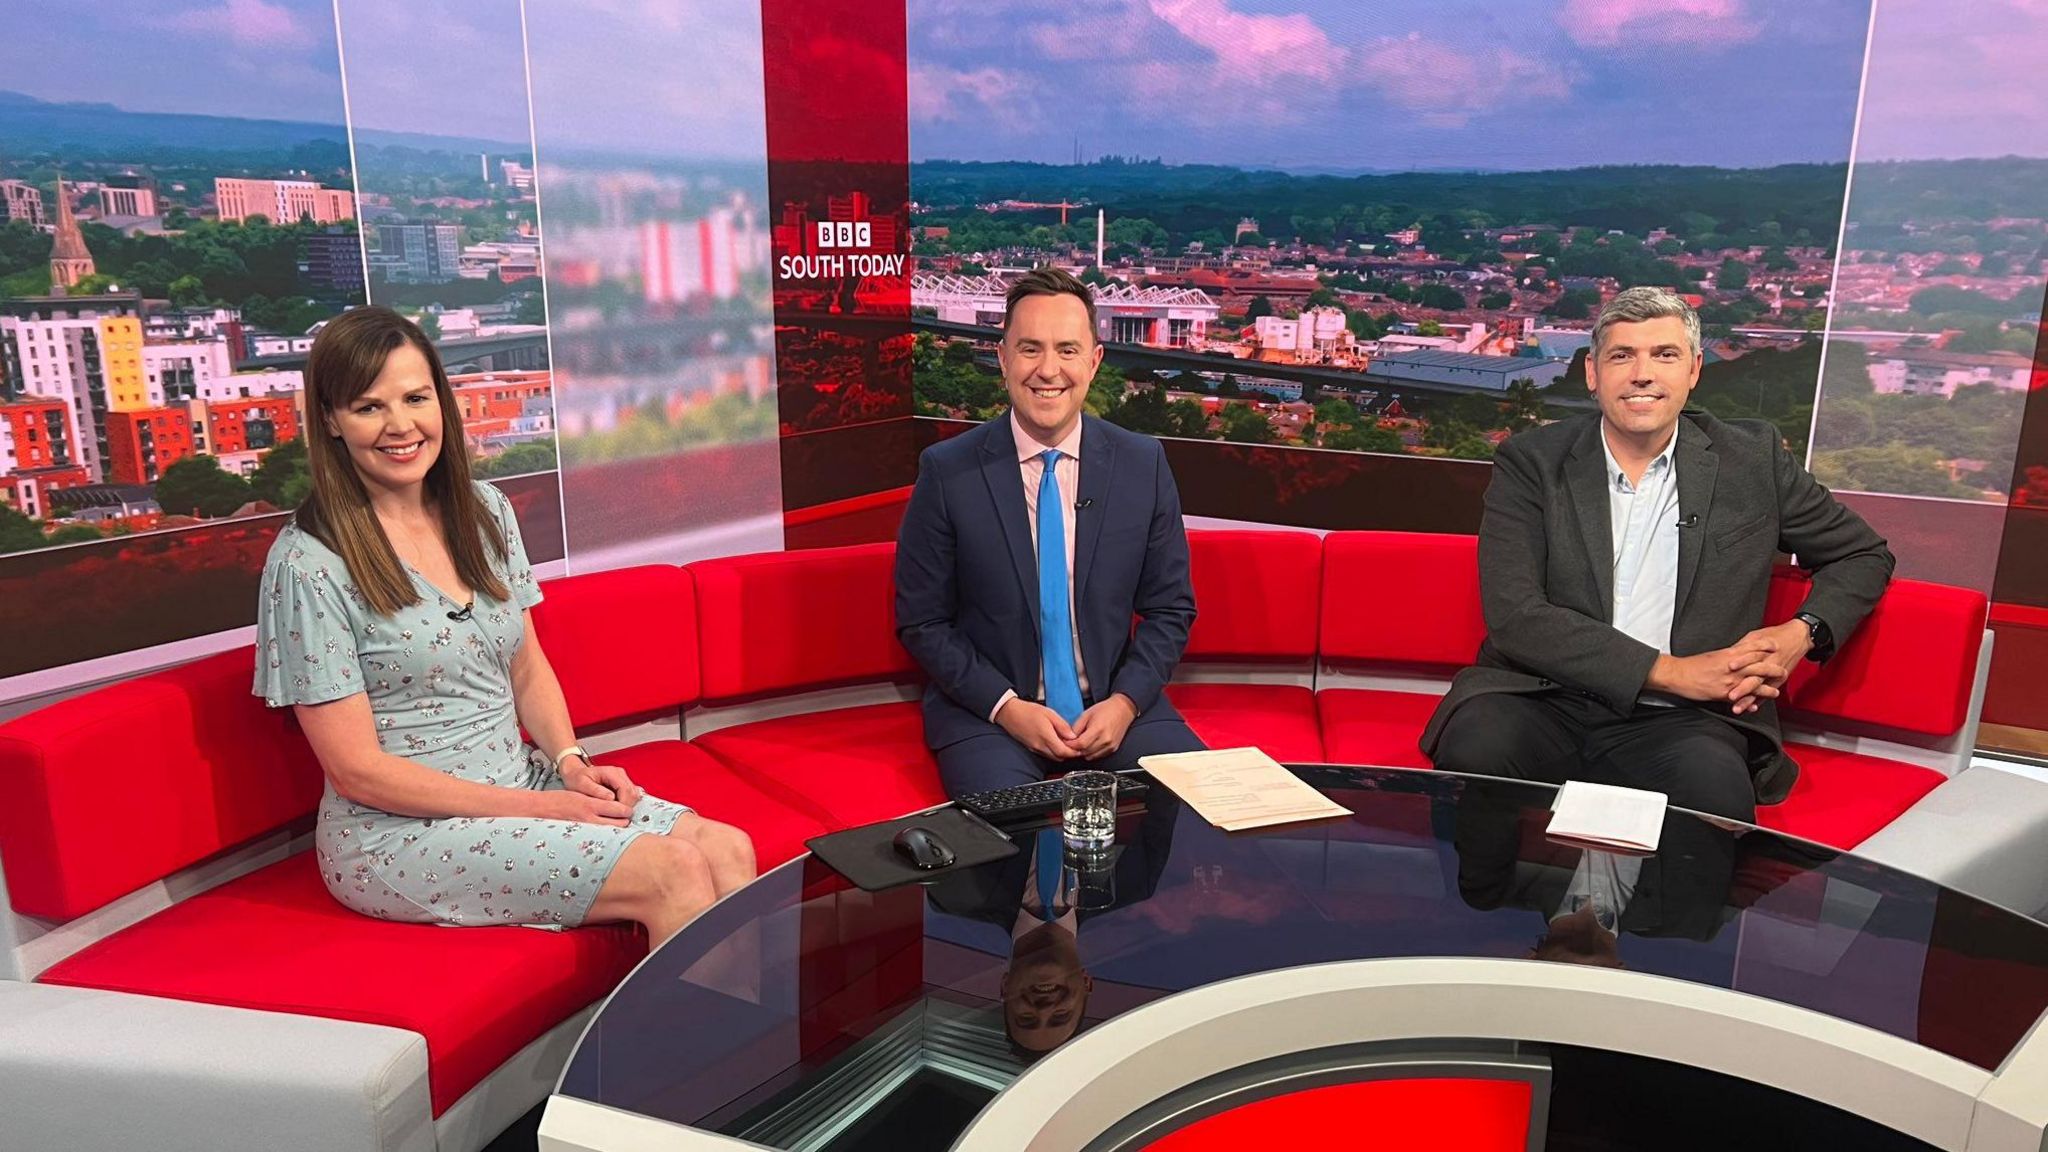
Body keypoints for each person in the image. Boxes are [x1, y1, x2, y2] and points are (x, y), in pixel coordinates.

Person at [253, 306, 754, 945]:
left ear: (441, 401)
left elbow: (526, 664)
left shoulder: (484, 512)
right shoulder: (307, 563)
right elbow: (358, 772)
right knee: (672, 869)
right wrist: (544, 808)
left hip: (522, 781)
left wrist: (570, 763)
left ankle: (744, 1046)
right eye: (369, 407)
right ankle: (691, 1049)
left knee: (728, 849)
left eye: (415, 398)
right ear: (330, 420)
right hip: (396, 833)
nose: (400, 426)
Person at [1422, 287, 1894, 821]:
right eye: (1622, 355)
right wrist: (1672, 671)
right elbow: (1515, 617)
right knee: (1478, 751)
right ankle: (1488, 904)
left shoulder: (1752, 461)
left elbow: (1863, 555)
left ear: (1693, 370)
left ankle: (1652, 907)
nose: (1642, 374)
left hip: (1688, 718)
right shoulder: (1531, 461)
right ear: (1593, 373)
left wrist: (1799, 633)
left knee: (1714, 789)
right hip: (1539, 696)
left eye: (1664, 355)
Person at [895, 267, 1205, 798]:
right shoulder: (948, 472)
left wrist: (1125, 702)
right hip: (990, 715)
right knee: (1002, 831)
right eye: (1030, 349)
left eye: (1066, 349)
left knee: (1198, 807)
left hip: (1113, 705)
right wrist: (1007, 708)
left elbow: (1171, 609)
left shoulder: (1142, 464)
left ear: (1094, 360)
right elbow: (922, 621)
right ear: (1003, 358)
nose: (1048, 370)